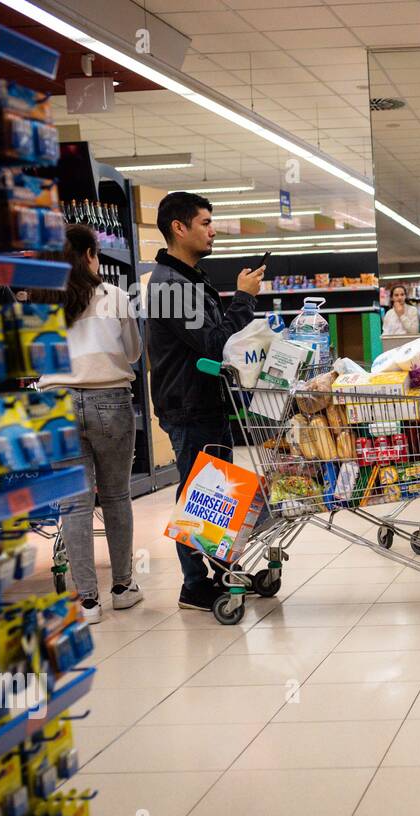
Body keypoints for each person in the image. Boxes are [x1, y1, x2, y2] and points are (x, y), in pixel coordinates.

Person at [146, 191, 263, 611]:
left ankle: (217, 573)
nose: (212, 230)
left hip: (206, 403)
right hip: (188, 405)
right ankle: (195, 585)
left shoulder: (190, 279)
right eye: (205, 223)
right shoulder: (170, 287)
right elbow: (214, 345)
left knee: (214, 493)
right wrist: (244, 298)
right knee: (199, 494)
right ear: (179, 228)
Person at [37, 225, 143, 624]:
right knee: (115, 496)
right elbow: (132, 352)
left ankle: (87, 602)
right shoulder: (113, 296)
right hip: (109, 401)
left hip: (55, 404)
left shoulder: (39, 304)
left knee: (74, 503)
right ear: (87, 255)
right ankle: (122, 587)